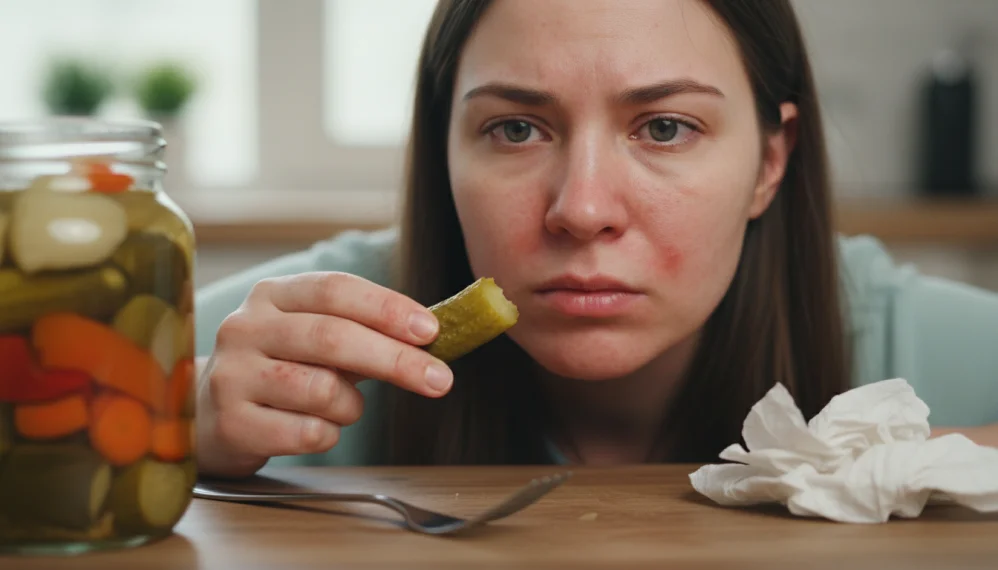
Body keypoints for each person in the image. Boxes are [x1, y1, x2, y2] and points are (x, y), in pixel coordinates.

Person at [193, 0, 998, 478]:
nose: (581, 210)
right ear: (443, 153)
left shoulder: (915, 342)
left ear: (769, 162)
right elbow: (115, 394)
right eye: (515, 129)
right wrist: (160, 428)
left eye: (666, 127)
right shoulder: (300, 342)